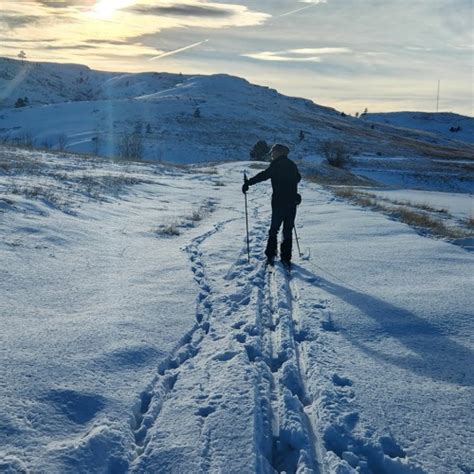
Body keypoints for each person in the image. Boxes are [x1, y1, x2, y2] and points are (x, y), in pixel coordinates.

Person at [242, 143, 301, 267]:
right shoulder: (292, 165)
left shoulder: (276, 165)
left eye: (273, 152)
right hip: (292, 202)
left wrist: (248, 183)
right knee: (287, 230)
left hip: (279, 202)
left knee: (274, 229)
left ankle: (271, 254)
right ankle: (286, 257)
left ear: (280, 152)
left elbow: (264, 175)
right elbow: (298, 178)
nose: (271, 154)